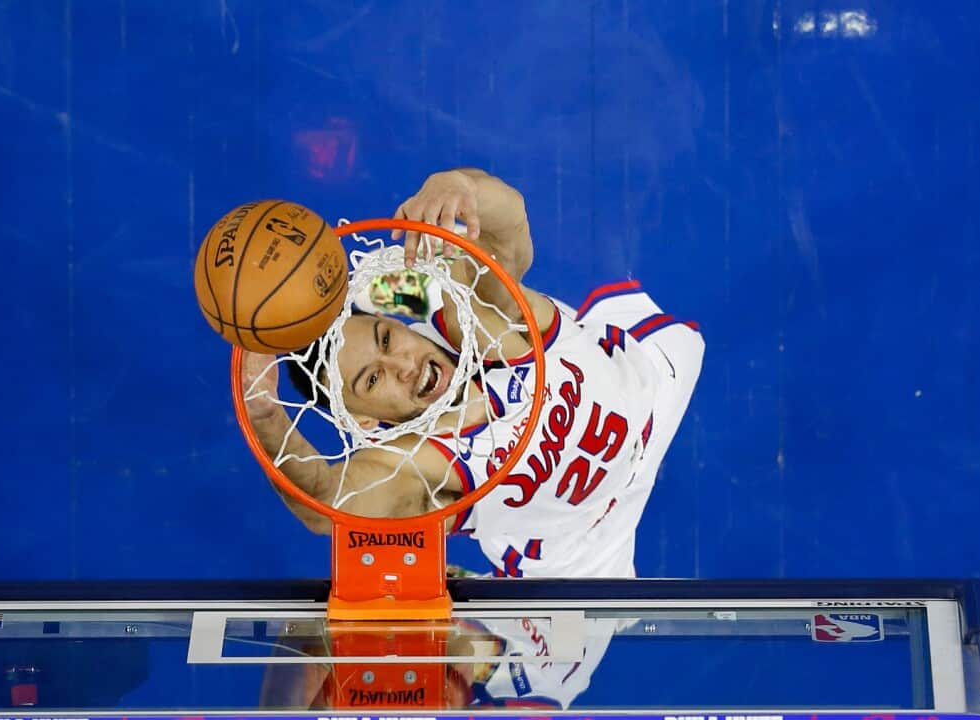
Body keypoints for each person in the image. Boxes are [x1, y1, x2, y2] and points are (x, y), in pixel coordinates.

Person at [241, 167, 703, 579]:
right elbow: (327, 507)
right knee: (553, 673)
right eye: (373, 380)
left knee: (436, 283)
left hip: (652, 396)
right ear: (361, 420)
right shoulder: (413, 463)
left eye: (387, 339)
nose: (403, 365)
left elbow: (511, 232)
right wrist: (265, 416)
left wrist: (461, 187)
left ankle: (372, 293)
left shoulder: (470, 321)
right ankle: (462, 601)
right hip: (586, 551)